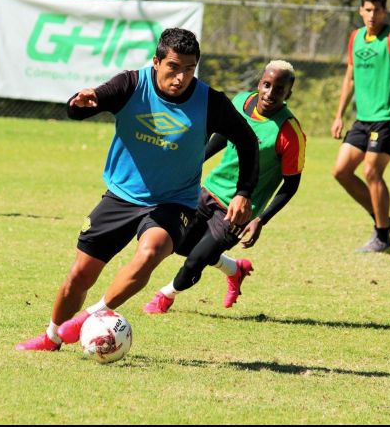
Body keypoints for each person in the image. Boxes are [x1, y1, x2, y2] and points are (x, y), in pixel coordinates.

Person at [15, 28, 260, 352]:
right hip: (121, 195)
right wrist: (81, 104)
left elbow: (247, 141)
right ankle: (51, 337)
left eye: (189, 69)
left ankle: (90, 316)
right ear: (156, 62)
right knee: (79, 276)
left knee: (152, 251)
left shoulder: (210, 102)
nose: (181, 76)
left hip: (174, 202)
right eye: (173, 66)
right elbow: (83, 107)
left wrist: (244, 192)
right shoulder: (131, 85)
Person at [142, 60, 306, 314]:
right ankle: (234, 269)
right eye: (266, 85)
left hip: (238, 210)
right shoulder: (241, 102)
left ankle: (165, 296)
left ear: (289, 94)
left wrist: (261, 219)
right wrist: (192, 163)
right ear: (259, 83)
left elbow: (291, 184)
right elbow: (222, 136)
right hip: (208, 190)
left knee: (196, 260)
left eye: (279, 89)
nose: (270, 93)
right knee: (180, 244)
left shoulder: (290, 132)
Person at [330, 0, 390, 254]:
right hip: (363, 119)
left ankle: (382, 238)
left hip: (387, 119)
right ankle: (382, 218)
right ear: (360, 11)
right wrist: (338, 115)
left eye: (377, 10)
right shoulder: (355, 37)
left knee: (371, 171)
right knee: (341, 171)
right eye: (368, 10)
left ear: (385, 12)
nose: (372, 15)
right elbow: (350, 77)